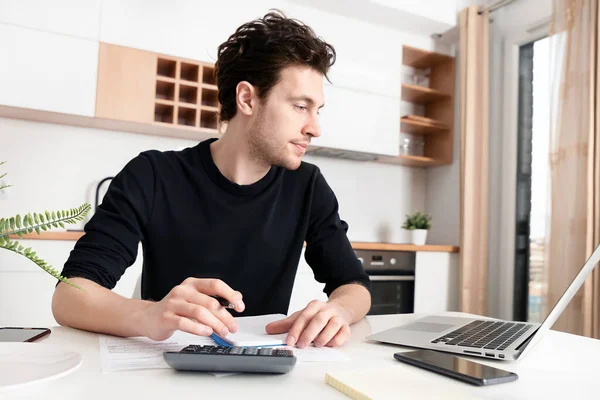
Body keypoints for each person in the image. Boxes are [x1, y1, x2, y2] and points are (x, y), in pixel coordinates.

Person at [52, 10, 371, 349]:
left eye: (317, 109)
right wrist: (150, 316)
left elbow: (355, 286)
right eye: (300, 106)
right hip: (166, 370)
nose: (315, 128)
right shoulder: (152, 175)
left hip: (265, 371)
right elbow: (69, 297)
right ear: (247, 98)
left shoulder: (307, 185)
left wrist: (337, 310)